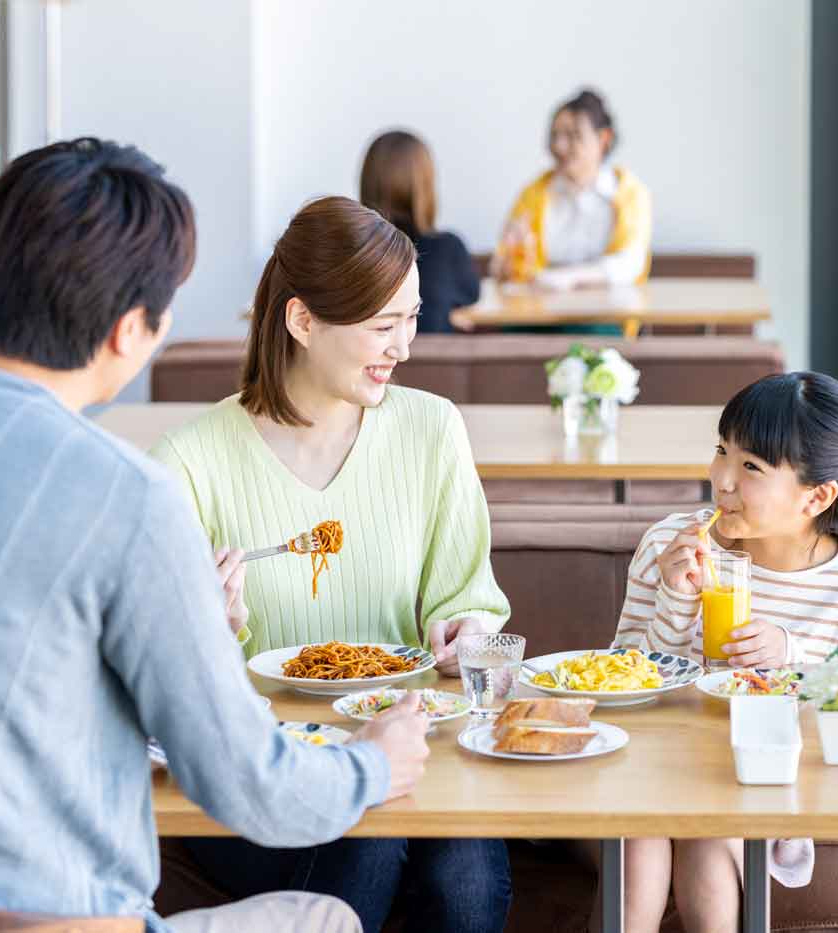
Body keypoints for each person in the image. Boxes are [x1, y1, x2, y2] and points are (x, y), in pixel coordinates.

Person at [0, 138, 431, 933]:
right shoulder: (128, 496)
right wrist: (375, 762)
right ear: (129, 331)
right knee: (325, 918)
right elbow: (254, 788)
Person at [149, 195, 513, 933]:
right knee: (370, 842)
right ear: (302, 320)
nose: (404, 347)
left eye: (410, 319)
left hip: (414, 746)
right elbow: (164, 680)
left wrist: (466, 633)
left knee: (464, 877)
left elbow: (469, 597)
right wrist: (208, 634)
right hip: (260, 780)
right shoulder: (189, 462)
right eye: (384, 325)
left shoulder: (431, 430)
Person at [599, 371, 838, 932]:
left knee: (709, 830)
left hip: (762, 781)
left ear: (817, 496)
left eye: (751, 468)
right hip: (652, 767)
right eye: (722, 451)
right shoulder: (670, 545)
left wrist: (790, 659)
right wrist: (675, 601)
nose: (721, 479)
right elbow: (621, 687)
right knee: (640, 835)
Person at [489, 88, 652, 291]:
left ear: (603, 139)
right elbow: (505, 265)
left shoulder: (629, 194)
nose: (560, 146)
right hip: (539, 312)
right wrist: (506, 264)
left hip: (603, 313)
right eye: (555, 136)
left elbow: (628, 266)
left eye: (573, 136)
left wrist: (565, 278)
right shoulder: (534, 194)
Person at [360, 129, 480, 334]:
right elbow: (471, 295)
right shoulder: (448, 247)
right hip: (434, 365)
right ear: (426, 186)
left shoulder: (351, 250)